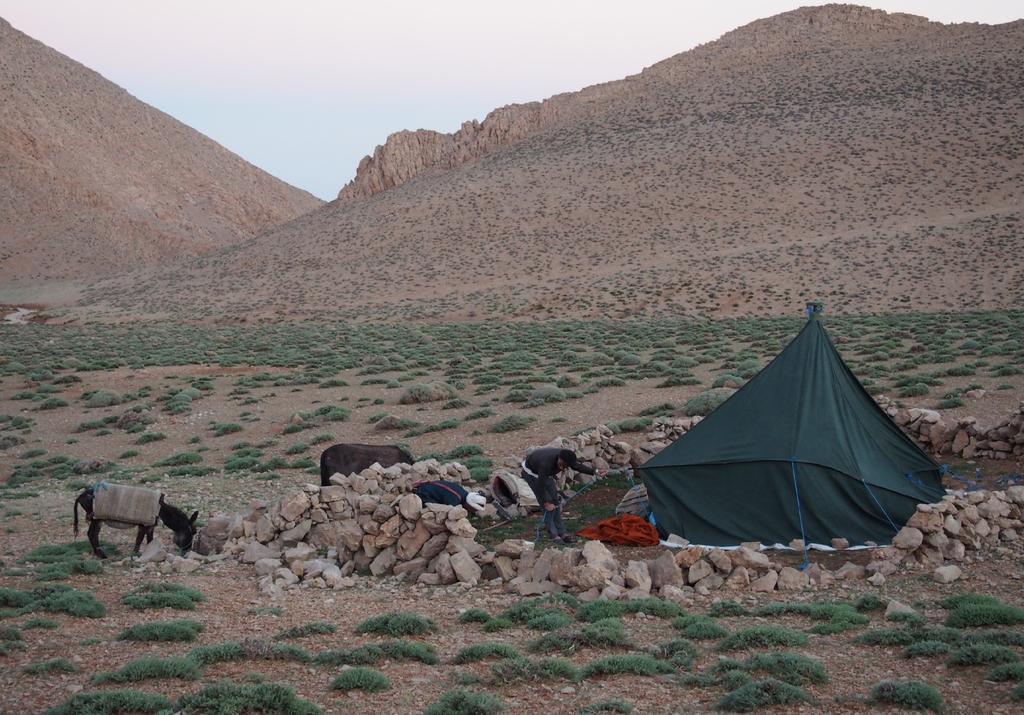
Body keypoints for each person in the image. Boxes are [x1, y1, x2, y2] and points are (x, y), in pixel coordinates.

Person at [521, 447, 606, 543]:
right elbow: (540, 486)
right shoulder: (545, 464)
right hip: (531, 473)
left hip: (545, 474)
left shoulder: (567, 458)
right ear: (559, 458)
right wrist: (545, 503)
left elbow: (577, 466)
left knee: (555, 501)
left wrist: (595, 472)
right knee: (548, 504)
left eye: (565, 466)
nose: (562, 468)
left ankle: (562, 532)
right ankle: (553, 534)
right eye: (561, 465)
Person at [412, 479, 487, 513]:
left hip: (427, 485)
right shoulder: (455, 501)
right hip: (424, 492)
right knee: (434, 511)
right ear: (469, 505)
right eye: (473, 509)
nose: (472, 511)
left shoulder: (463, 492)